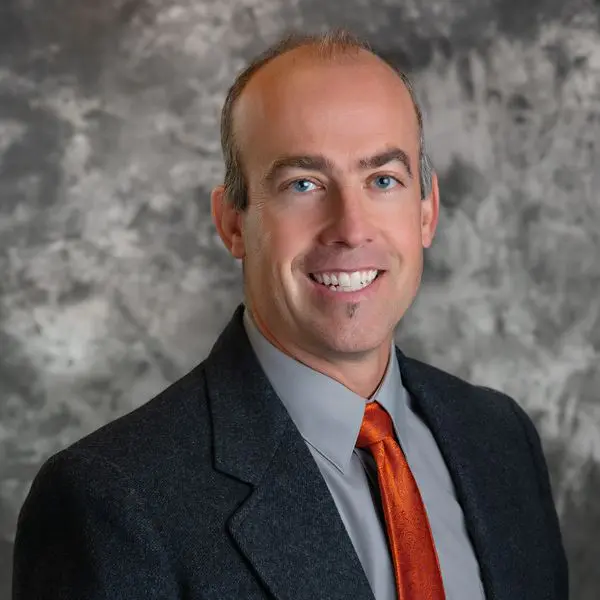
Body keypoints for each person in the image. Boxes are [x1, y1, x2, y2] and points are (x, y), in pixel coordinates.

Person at [12, 29, 568, 600]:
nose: (350, 229)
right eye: (303, 184)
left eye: (383, 180)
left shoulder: (500, 439)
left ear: (426, 211)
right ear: (232, 222)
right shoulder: (112, 502)